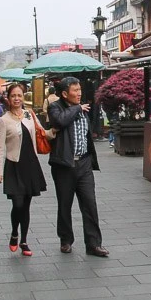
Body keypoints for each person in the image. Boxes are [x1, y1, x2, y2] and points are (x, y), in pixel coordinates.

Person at [48, 76, 108, 257]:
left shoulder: (82, 109)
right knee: (65, 204)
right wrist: (76, 108)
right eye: (75, 90)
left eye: (79, 89)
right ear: (65, 93)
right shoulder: (55, 107)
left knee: (90, 204)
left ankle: (94, 244)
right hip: (64, 164)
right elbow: (59, 122)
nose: (79, 93)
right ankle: (66, 240)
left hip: (84, 163)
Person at [0, 83, 49, 257]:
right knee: (17, 204)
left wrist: (57, 129)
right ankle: (14, 233)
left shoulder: (29, 115)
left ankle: (24, 240)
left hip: (30, 164)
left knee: (26, 205)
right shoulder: (3, 120)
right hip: (14, 164)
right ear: (8, 98)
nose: (17, 99)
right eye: (13, 96)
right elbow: (0, 148)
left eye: (19, 95)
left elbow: (42, 132)